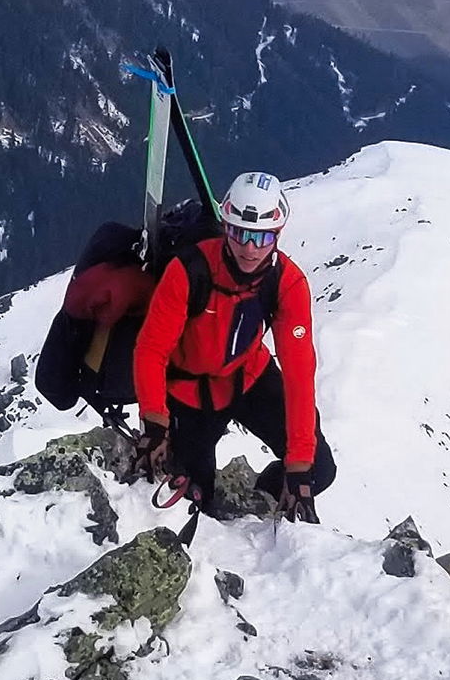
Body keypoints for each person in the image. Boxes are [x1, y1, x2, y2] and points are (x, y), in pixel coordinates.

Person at [132, 171, 337, 522]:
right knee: (194, 497)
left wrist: (299, 466)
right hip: (188, 391)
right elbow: (151, 349)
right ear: (226, 227)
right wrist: (154, 423)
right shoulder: (189, 270)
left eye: (261, 237)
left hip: (248, 374)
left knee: (319, 469)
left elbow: (299, 374)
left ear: (277, 235)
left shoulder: (287, 283)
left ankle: (260, 503)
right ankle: (237, 500)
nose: (249, 248)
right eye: (240, 233)